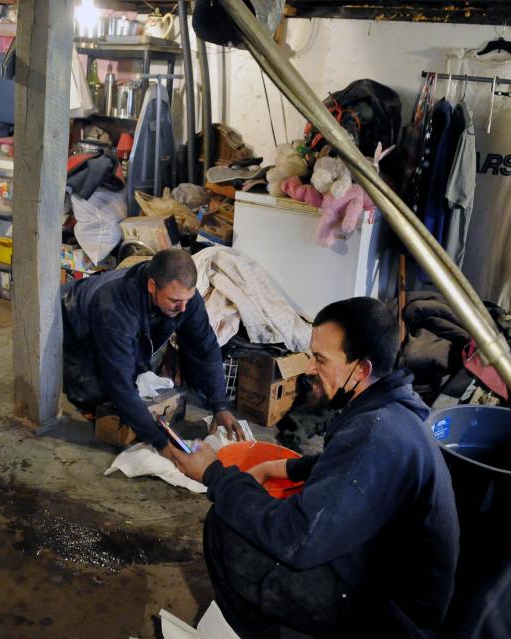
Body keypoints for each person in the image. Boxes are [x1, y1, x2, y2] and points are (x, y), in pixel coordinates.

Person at [172, 297, 459, 638]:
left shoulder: (375, 433)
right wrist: (279, 468)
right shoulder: (390, 409)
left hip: (393, 619)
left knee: (228, 523)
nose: (309, 369)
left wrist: (213, 474)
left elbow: (294, 539)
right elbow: (344, 464)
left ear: (361, 370)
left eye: (320, 359)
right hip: (389, 580)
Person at [61, 248, 245, 455]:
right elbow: (120, 383)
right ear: (151, 286)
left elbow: (205, 348)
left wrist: (220, 405)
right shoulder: (114, 308)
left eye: (188, 299)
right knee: (94, 394)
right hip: (74, 314)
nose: (183, 308)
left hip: (124, 319)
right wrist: (161, 444)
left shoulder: (184, 300)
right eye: (175, 301)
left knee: (136, 370)